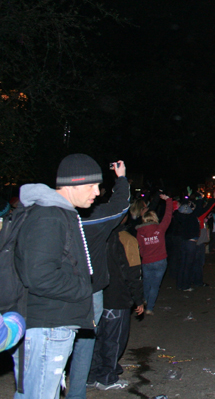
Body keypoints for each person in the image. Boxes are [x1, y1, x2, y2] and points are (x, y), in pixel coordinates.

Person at [12, 154, 103, 399]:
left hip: (51, 325)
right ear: (73, 184)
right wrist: (84, 288)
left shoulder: (58, 212)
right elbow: (39, 275)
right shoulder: (49, 216)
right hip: (48, 326)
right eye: (91, 185)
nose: (97, 191)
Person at [66, 160, 130, 399]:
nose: (96, 193)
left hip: (59, 291)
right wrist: (121, 178)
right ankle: (77, 390)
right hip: (87, 290)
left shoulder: (47, 214)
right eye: (92, 186)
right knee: (83, 342)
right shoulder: (95, 219)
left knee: (78, 343)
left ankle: (79, 384)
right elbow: (120, 206)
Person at [87, 223, 145, 390]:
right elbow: (133, 272)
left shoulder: (95, 236)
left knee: (97, 338)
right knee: (114, 340)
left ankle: (91, 374)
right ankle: (107, 376)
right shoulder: (126, 239)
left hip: (96, 295)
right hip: (117, 297)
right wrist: (138, 299)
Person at [136, 194, 173, 314]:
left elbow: (140, 247)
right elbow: (168, 216)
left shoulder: (140, 231)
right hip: (160, 260)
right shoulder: (159, 229)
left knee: (146, 282)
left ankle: (145, 300)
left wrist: (144, 254)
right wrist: (168, 200)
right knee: (155, 285)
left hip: (147, 261)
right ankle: (150, 308)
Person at [174, 192, 215, 291]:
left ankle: (180, 284)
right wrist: (203, 199)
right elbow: (205, 209)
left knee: (183, 265)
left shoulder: (179, 216)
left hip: (183, 242)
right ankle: (187, 285)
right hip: (192, 243)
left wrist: (188, 198)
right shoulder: (193, 216)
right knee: (191, 265)